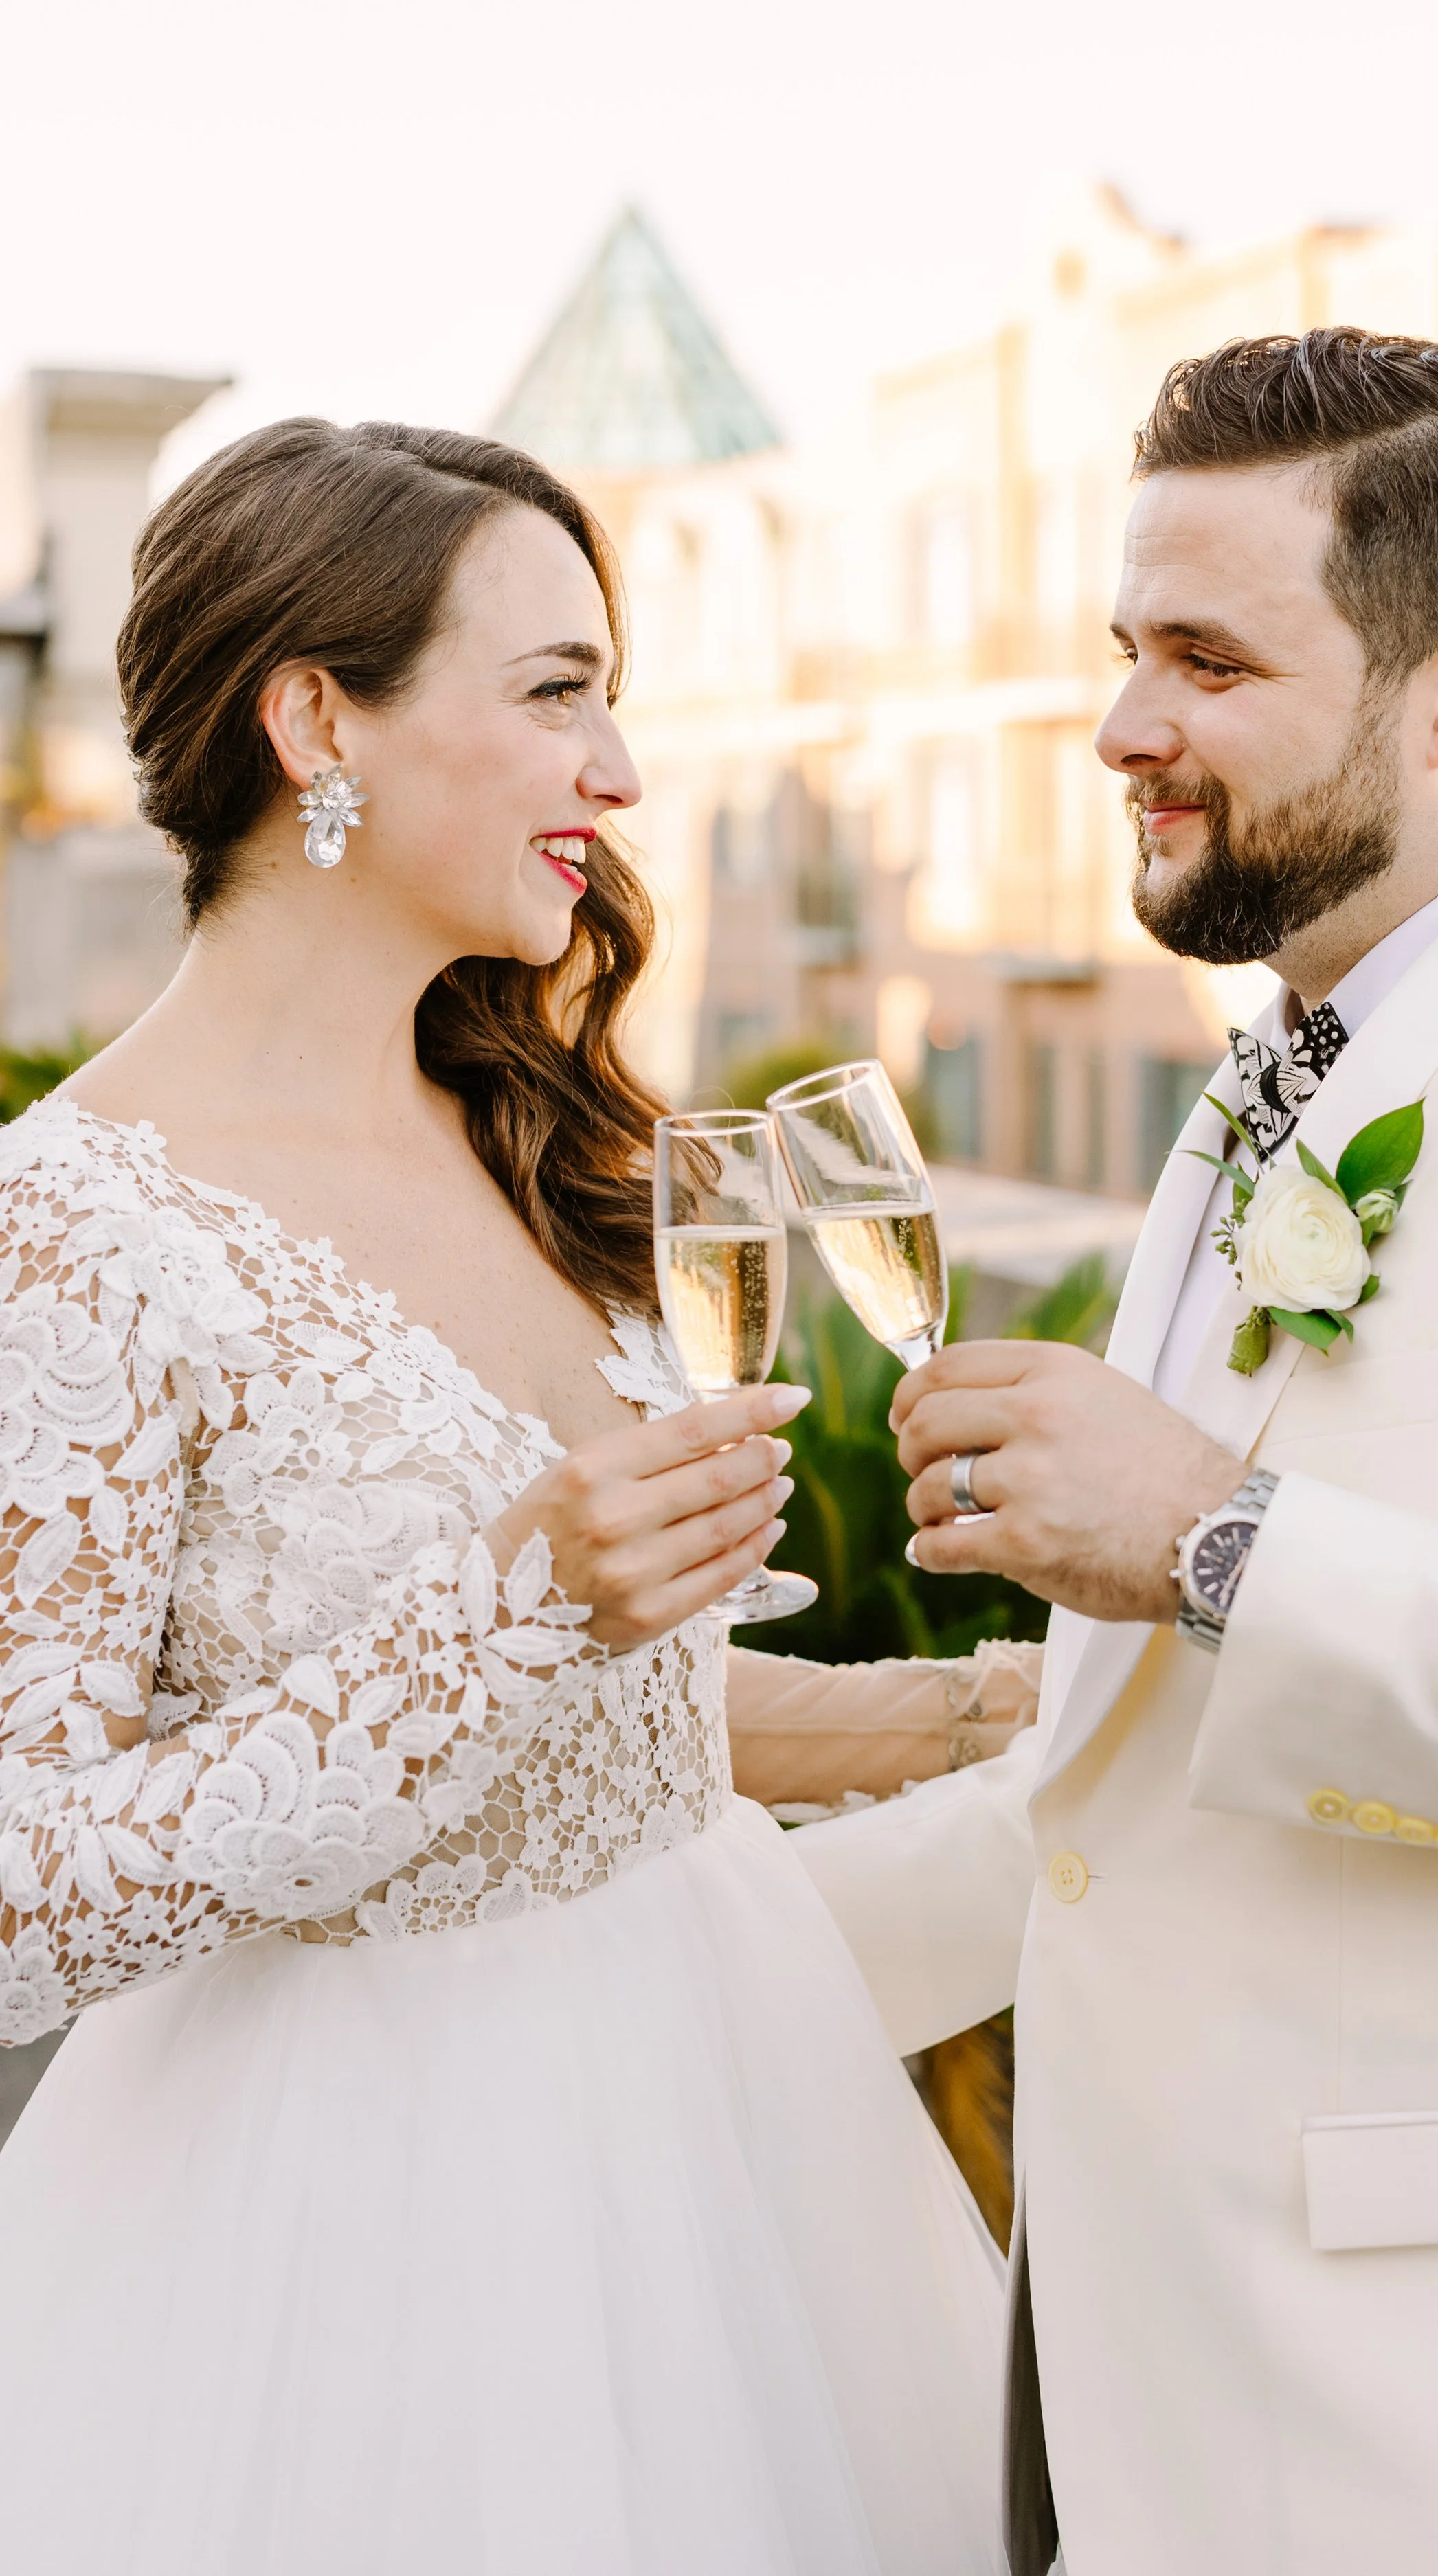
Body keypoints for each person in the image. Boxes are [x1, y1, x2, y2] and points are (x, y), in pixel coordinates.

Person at [0, 418, 1008, 2576]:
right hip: (367, 2248)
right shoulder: (69, 1229)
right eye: (557, 689)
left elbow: (593, 1744)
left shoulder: (533, 1133)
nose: (621, 768)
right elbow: (23, 1897)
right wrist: (505, 1604)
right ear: (313, 719)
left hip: (732, 2121)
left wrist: (976, 1711)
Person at [793, 328, 1438, 2576]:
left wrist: (1214, 1537)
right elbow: (1115, 1817)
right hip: (1117, 2371)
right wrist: (669, 1952)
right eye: (1127, 649)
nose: (1120, 725)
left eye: (1204, 658)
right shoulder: (1249, 1094)